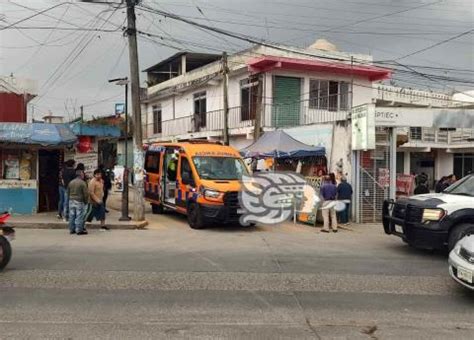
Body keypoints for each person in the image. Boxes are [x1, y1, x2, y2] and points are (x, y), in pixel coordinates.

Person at [67, 169, 88, 235]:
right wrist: (86, 201)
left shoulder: (71, 182)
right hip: (79, 201)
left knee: (72, 215)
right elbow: (85, 194)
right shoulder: (82, 183)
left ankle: (71, 229)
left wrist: (69, 199)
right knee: (79, 216)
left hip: (71, 200)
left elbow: (68, 192)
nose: (84, 175)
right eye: (83, 174)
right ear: (81, 175)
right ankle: (79, 230)